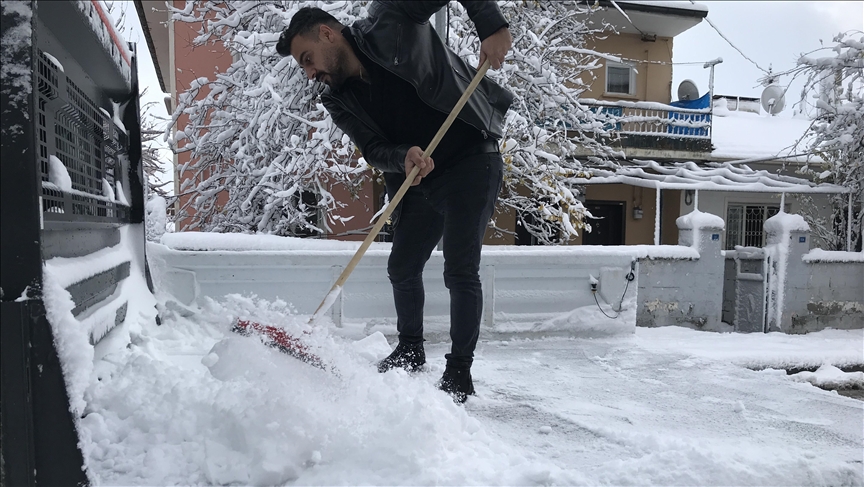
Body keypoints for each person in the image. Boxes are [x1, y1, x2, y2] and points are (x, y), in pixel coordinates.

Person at [277, 1, 513, 403]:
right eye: (304, 67)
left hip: (472, 157)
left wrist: (490, 26)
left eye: (308, 58)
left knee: (459, 269)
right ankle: (410, 348)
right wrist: (402, 155)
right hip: (420, 176)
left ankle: (459, 370)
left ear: (328, 34)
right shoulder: (337, 99)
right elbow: (372, 148)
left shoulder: (391, 18)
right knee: (401, 266)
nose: (311, 72)